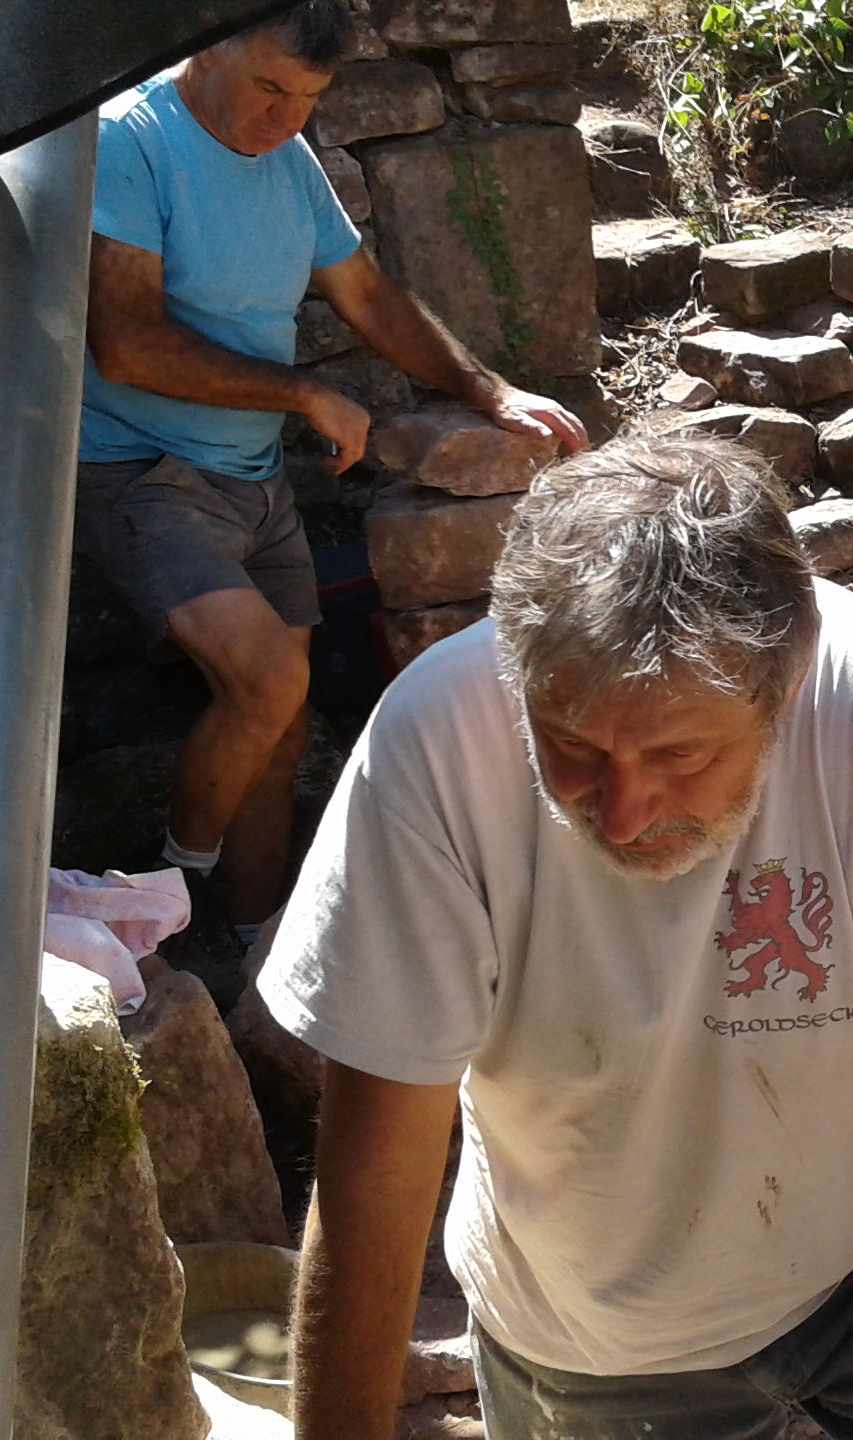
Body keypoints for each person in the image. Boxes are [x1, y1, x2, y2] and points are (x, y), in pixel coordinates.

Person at [257, 437, 853, 1440]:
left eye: (678, 755)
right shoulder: (434, 744)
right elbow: (376, 1165)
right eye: (573, 747)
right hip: (596, 1319)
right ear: (517, 675)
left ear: (785, 692)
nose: (624, 812)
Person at [75, 0, 586, 943]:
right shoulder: (129, 138)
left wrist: (490, 390)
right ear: (207, 47)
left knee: (282, 729)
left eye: (308, 99)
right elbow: (125, 343)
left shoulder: (287, 157)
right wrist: (305, 393)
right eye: (269, 88)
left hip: (255, 479)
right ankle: (165, 901)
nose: (285, 119)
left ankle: (250, 942)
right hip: (143, 471)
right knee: (269, 683)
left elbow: (368, 295)